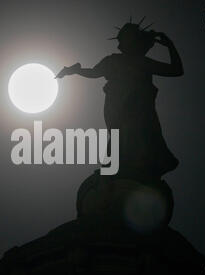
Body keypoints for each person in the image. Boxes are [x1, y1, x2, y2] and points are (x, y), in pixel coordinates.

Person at [56, 20, 183, 181]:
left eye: (125, 39)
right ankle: (115, 168)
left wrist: (170, 45)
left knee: (142, 134)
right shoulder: (114, 60)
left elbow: (176, 70)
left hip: (140, 105)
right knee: (121, 133)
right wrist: (75, 70)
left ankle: (130, 168)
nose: (122, 44)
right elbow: (94, 73)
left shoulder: (142, 62)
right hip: (118, 103)